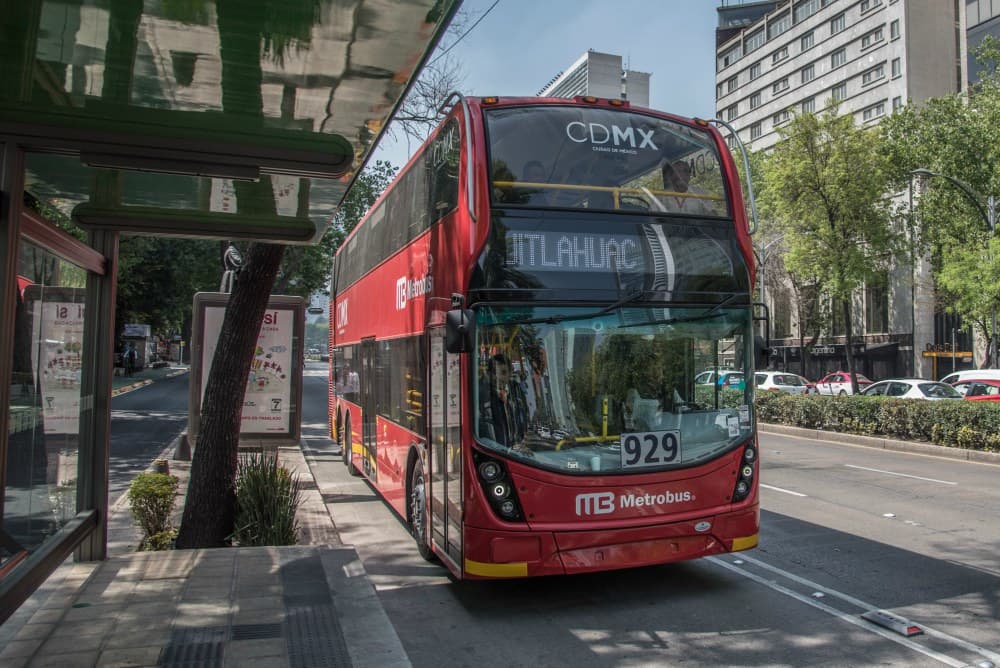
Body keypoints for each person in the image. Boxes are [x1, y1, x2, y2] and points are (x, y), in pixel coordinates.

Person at [479, 354, 527, 449]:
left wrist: (521, 441)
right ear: (489, 374)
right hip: (493, 450)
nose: (499, 377)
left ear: (510, 373)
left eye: (504, 372)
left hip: (515, 450)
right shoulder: (482, 395)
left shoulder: (516, 393)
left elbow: (523, 419)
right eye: (495, 373)